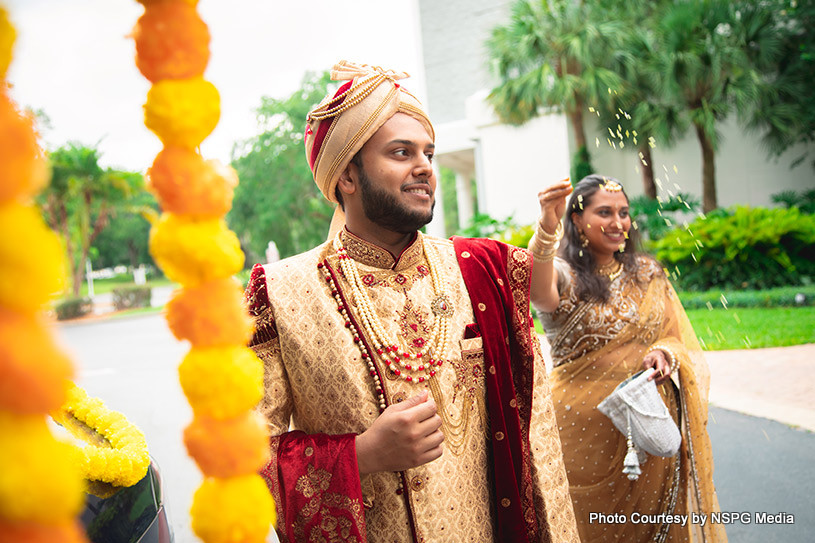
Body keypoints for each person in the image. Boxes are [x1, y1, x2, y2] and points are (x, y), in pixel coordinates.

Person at [243, 61, 579, 542]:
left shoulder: (477, 268)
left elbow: (545, 305)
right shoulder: (278, 294)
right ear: (347, 177)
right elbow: (242, 456)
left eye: (428, 153)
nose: (424, 167)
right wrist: (360, 455)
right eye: (401, 152)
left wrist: (549, 230)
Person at [530, 174, 727, 542]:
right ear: (577, 219)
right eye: (604, 212)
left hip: (650, 424)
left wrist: (664, 352)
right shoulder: (564, 273)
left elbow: (675, 336)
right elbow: (539, 293)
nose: (618, 223)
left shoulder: (647, 273)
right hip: (581, 434)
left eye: (623, 213)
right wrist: (546, 224)